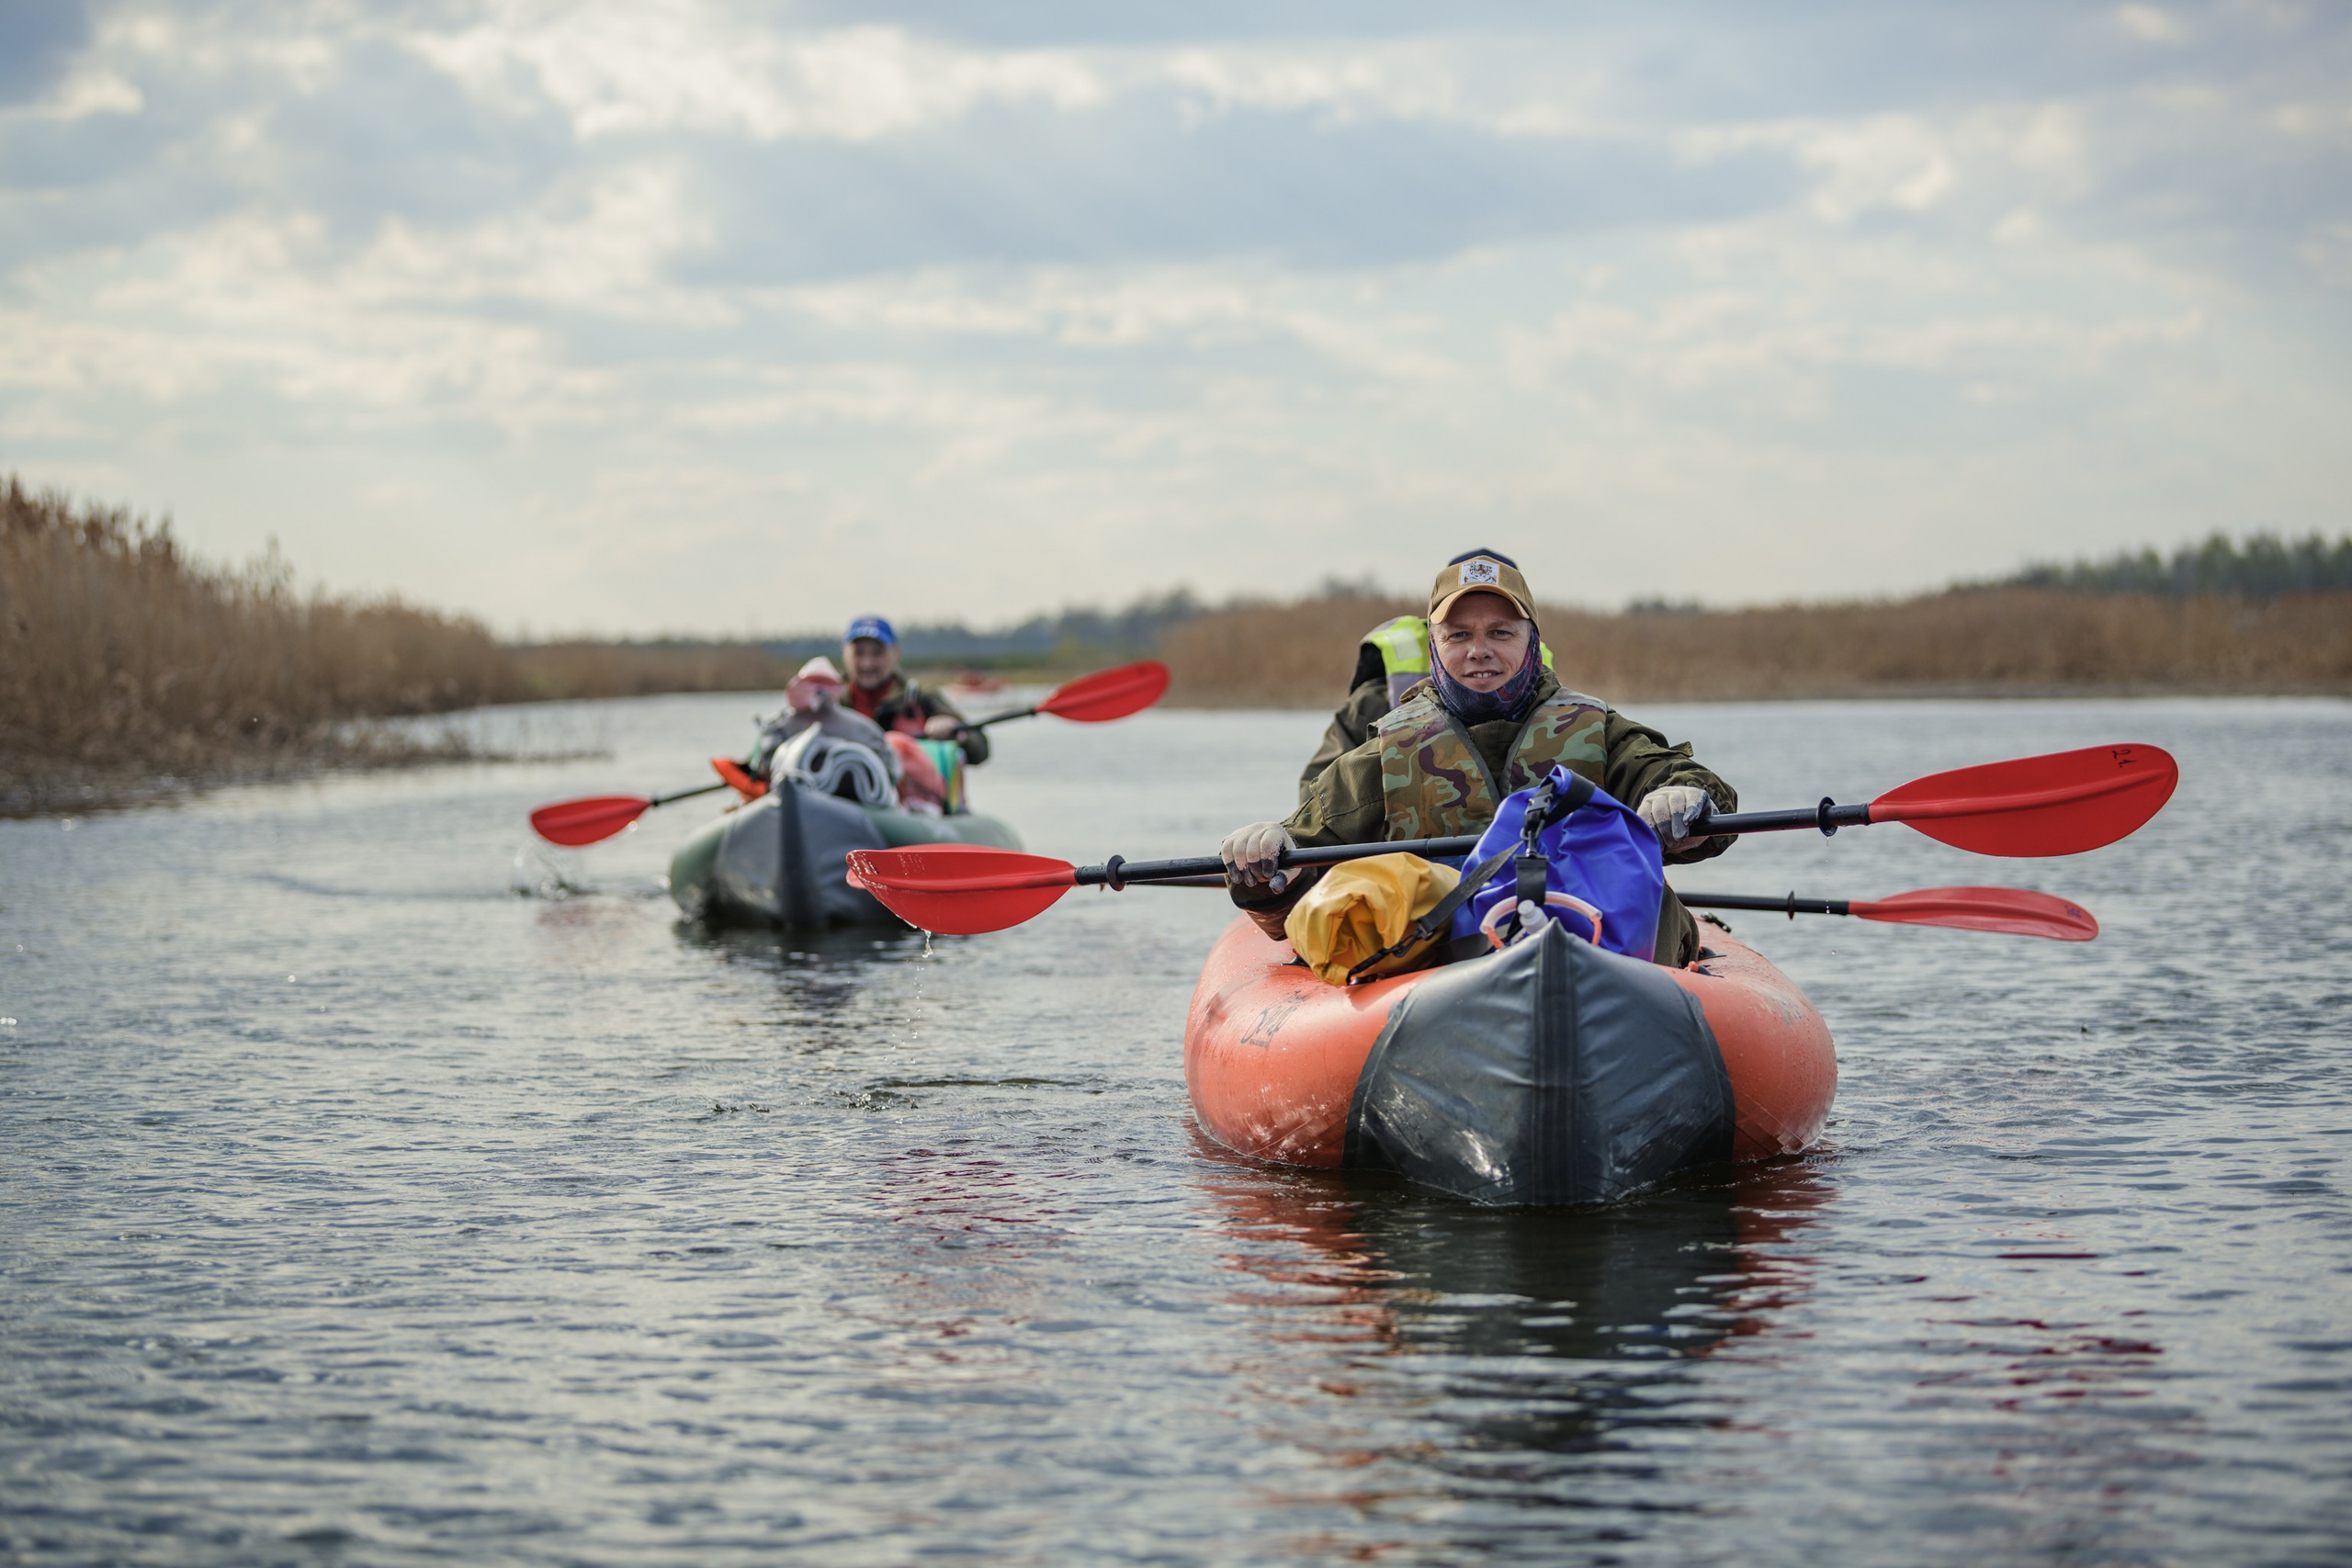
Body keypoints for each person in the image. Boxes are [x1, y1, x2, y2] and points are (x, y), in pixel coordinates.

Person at [1224, 551, 1735, 968]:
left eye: (1500, 632)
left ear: (1532, 641)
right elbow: (1305, 859)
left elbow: (1684, 779)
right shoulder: (1384, 754)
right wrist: (1268, 861)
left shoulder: (1597, 729)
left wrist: (1686, 798)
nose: (1479, 651)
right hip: (1444, 972)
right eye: (1459, 635)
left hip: (1596, 954)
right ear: (1436, 649)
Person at [839, 615, 990, 766]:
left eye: (878, 653)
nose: (867, 663)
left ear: (896, 653)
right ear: (844, 654)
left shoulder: (918, 697)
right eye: (859, 653)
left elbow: (980, 749)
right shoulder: (829, 701)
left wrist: (957, 734)